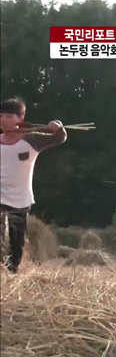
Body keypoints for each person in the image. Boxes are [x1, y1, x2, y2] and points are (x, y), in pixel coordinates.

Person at [0, 97, 67, 274]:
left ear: (20, 118)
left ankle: (11, 273)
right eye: (1, 116)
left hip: (20, 200)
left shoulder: (32, 140)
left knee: (16, 246)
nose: (3, 120)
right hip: (1, 196)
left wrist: (57, 125)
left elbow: (59, 138)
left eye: (8, 116)